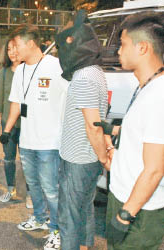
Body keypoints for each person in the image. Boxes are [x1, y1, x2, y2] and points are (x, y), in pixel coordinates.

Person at [0, 24, 68, 250]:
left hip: (50, 142)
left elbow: (70, 101)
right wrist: (7, 130)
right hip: (27, 140)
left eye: (17, 45)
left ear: (31, 44)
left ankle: (57, 229)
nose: (14, 50)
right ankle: (39, 217)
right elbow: (16, 103)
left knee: (51, 188)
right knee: (34, 185)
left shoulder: (56, 66)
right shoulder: (19, 70)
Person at [103, 12, 164, 250]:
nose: (118, 50)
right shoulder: (146, 86)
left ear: (143, 48)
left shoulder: (159, 96)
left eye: (123, 44)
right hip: (123, 196)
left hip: (138, 214)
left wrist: (125, 215)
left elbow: (155, 170)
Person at [55, 11, 109, 250]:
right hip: (82, 158)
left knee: (69, 216)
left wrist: (104, 158)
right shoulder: (94, 71)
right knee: (84, 209)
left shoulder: (84, 77)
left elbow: (93, 125)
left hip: (79, 159)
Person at [0, 39, 22, 202]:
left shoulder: (29, 70)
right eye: (9, 49)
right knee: (9, 158)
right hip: (7, 124)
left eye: (15, 48)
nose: (11, 52)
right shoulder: (4, 72)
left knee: (27, 160)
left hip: (26, 124)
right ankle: (11, 190)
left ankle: (32, 194)